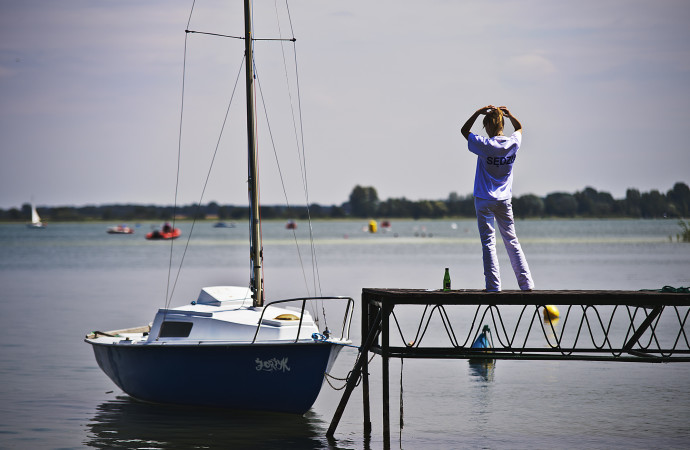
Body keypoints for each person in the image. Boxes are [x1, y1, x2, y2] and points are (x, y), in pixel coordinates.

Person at [461, 105, 534, 292]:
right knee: (512, 240)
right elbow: (519, 128)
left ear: (488, 126)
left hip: (484, 198)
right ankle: (526, 285)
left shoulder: (485, 145)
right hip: (504, 200)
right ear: (502, 124)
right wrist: (510, 115)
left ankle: (493, 287)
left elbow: (464, 131)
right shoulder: (513, 143)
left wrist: (477, 112)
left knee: (488, 243)